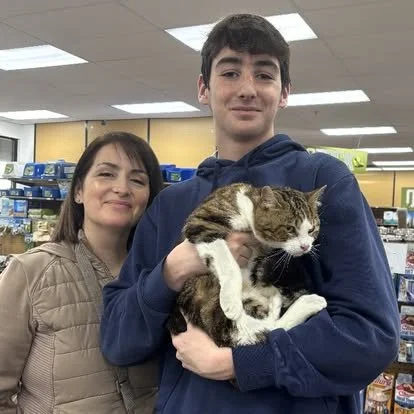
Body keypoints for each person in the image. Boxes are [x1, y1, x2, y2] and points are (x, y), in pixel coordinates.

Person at [100, 14, 399, 414]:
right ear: (204, 88)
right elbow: (118, 340)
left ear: (284, 92)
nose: (247, 89)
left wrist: (238, 364)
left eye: (264, 74)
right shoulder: (171, 205)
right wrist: (171, 271)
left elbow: (371, 335)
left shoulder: (320, 181)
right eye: (229, 72)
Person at [0, 131, 163, 413]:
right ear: (78, 190)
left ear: (149, 198)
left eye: (137, 180)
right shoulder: (31, 272)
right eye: (106, 174)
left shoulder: (160, 277)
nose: (122, 188)